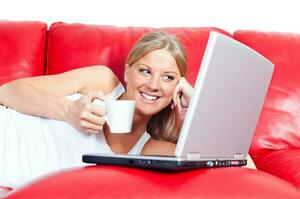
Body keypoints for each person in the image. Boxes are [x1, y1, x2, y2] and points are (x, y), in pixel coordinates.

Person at [0, 31, 194, 188]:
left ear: (178, 86)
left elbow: (211, 162)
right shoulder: (103, 81)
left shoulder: (155, 150)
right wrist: (69, 112)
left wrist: (194, 102)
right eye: (145, 71)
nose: (153, 85)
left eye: (168, 77)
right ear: (127, 71)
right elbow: (7, 92)